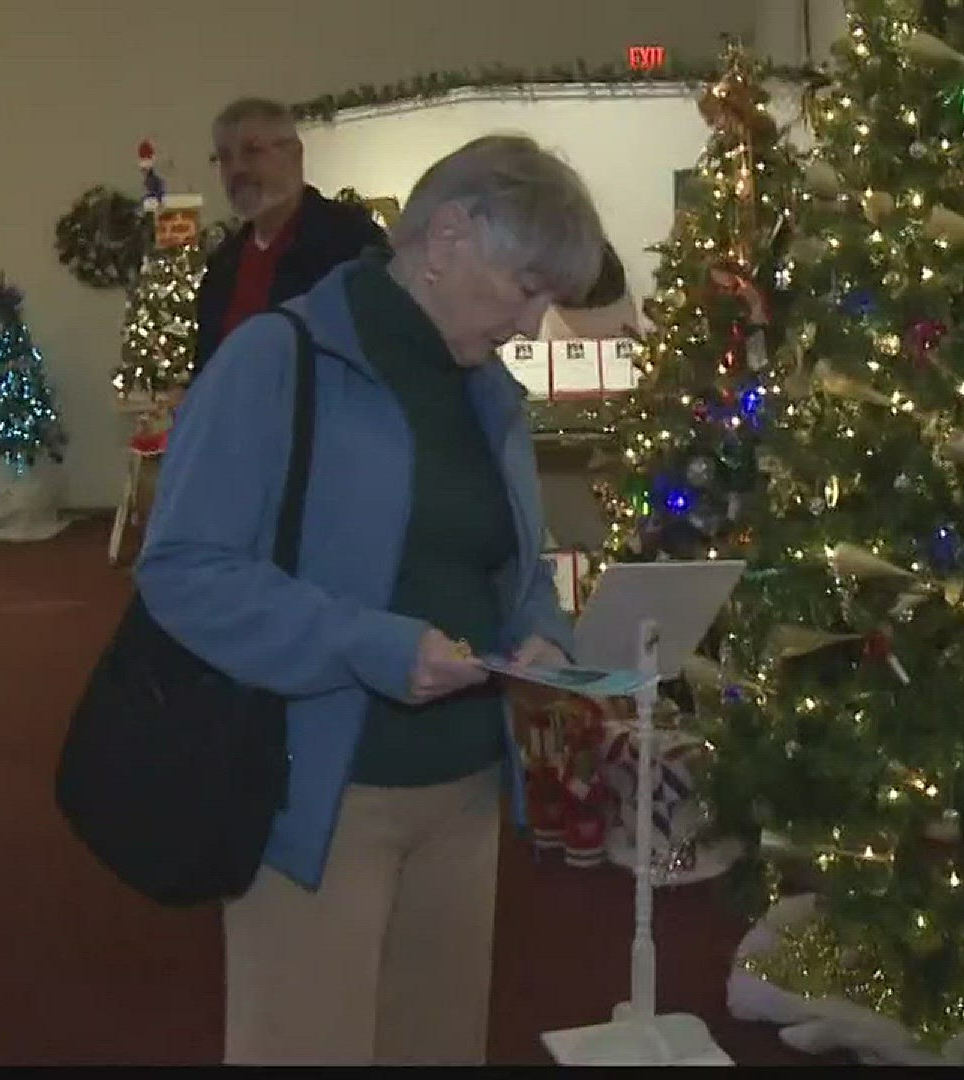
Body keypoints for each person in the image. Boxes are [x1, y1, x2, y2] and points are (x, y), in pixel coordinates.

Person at [135, 133, 609, 1065]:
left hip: (467, 792)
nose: (533, 323)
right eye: (527, 287)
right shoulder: (278, 359)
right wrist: (370, 645)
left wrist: (542, 636)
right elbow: (183, 568)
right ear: (446, 238)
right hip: (321, 791)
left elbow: (504, 564)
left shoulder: (487, 395)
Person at [193, 97, 387, 378]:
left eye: (252, 152)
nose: (237, 169)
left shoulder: (349, 241)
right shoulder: (224, 266)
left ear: (295, 154)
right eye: (225, 158)